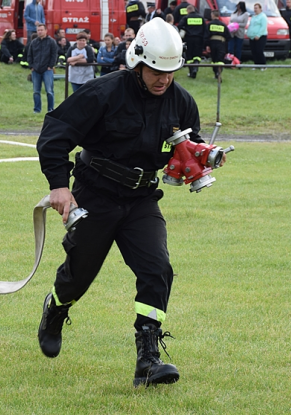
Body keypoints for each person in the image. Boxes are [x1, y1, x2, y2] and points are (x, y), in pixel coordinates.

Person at [36, 19, 200, 388]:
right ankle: (56, 308)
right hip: (96, 195)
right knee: (79, 275)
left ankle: (148, 359)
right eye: (156, 71)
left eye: (170, 72)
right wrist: (60, 187)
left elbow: (190, 145)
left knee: (158, 268)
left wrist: (198, 159)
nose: (164, 79)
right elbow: (54, 135)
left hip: (142, 199)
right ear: (138, 62)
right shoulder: (102, 92)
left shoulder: (181, 101)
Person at [27, 23, 57, 113]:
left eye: (41, 30)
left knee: (49, 91)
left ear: (46, 31)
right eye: (38, 30)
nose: (40, 32)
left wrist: (50, 66)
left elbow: (54, 55)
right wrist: (31, 66)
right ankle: (37, 109)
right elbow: (29, 55)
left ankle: (50, 109)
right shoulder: (34, 42)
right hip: (36, 70)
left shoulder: (51, 42)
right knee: (36, 91)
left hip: (47, 70)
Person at [178, 5, 205, 78]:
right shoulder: (201, 18)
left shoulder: (186, 18)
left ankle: (191, 71)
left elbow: (180, 26)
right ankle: (195, 69)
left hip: (189, 39)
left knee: (189, 56)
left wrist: (185, 29)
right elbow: (205, 28)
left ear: (188, 10)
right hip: (199, 39)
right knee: (197, 56)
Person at [205, 9, 231, 79]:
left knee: (214, 59)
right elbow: (228, 36)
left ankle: (216, 72)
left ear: (213, 15)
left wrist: (207, 45)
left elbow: (206, 35)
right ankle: (219, 72)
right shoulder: (223, 25)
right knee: (220, 59)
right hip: (221, 44)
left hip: (212, 43)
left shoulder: (209, 24)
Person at [247, 2, 268, 69]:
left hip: (260, 37)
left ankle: (263, 65)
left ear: (260, 9)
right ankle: (256, 64)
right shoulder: (253, 17)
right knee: (254, 51)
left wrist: (258, 35)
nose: (255, 9)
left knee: (259, 51)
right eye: (254, 8)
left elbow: (263, 27)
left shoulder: (263, 16)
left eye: (256, 8)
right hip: (252, 37)